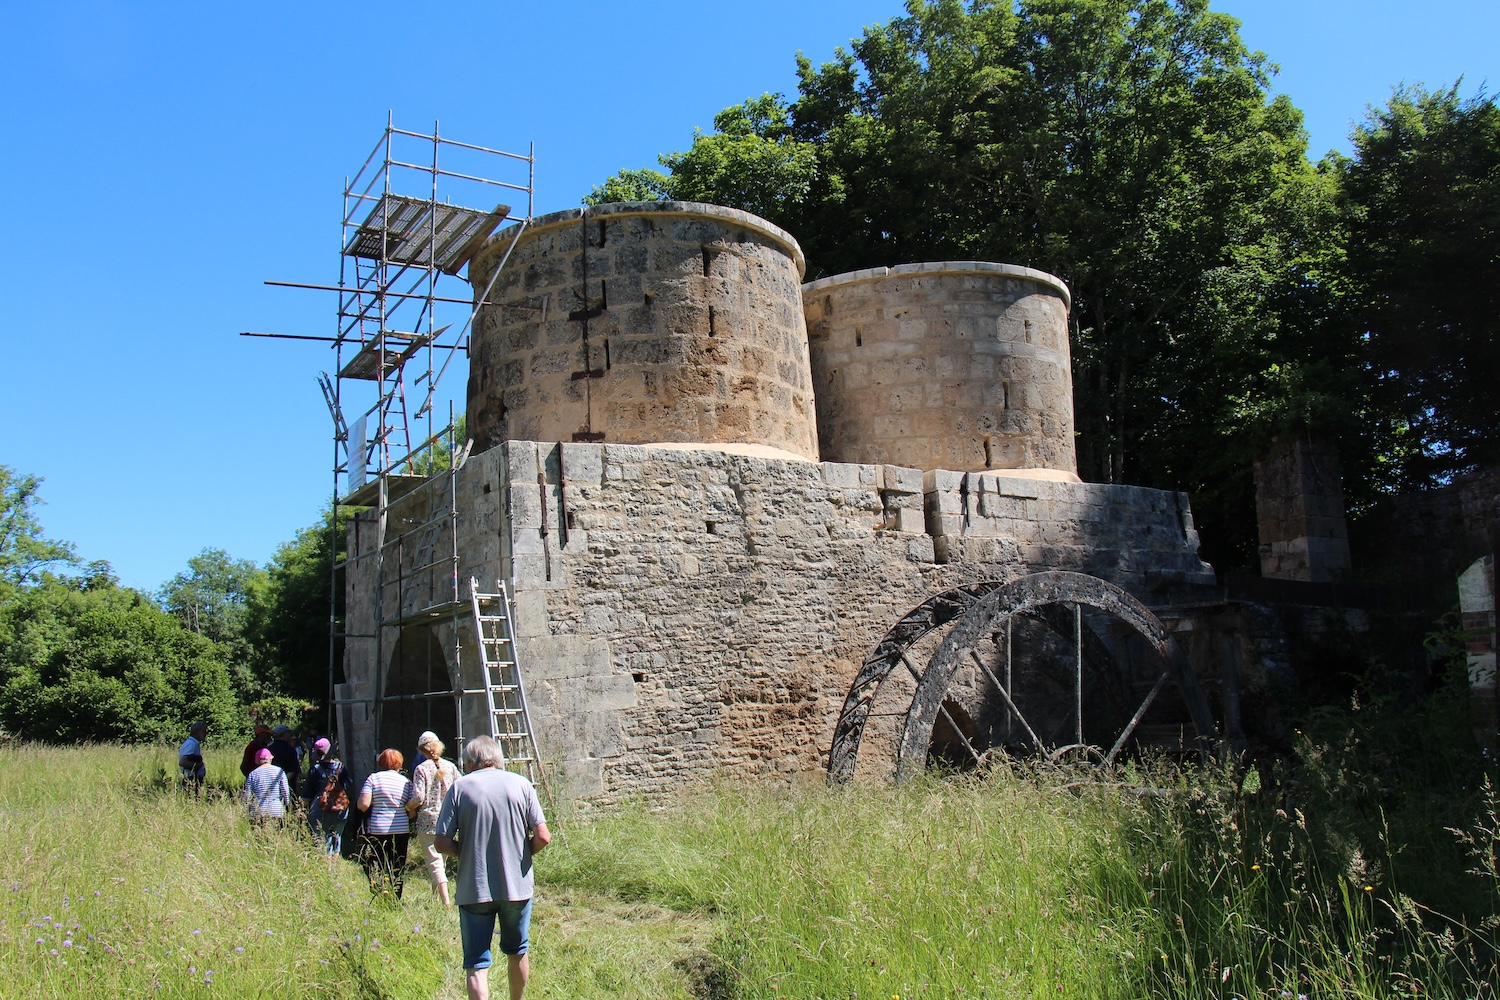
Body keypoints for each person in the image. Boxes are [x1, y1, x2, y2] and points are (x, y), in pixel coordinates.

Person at [435, 735, 550, 1000]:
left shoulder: (460, 788)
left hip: (474, 887)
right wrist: (522, 855)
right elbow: (543, 836)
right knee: (517, 951)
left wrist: (465, 854)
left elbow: (441, 842)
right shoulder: (521, 784)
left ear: (470, 762)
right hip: (516, 887)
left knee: (476, 962)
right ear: (498, 759)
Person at [407, 730, 461, 906]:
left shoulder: (421, 769)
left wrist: (408, 807)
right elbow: (460, 789)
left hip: (428, 820)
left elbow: (418, 797)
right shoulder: (450, 767)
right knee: (441, 862)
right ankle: (435, 898)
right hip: (448, 820)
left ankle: (446, 902)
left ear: (421, 750)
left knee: (434, 862)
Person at [357, 748, 416, 898]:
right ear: (399, 764)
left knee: (377, 863)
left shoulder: (373, 779)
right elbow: (412, 812)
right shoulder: (407, 782)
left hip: (378, 828)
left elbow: (363, 805)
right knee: (397, 865)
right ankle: (395, 898)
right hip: (401, 828)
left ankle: (378, 894)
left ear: (381, 762)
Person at [302, 738, 352, 856]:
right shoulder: (341, 767)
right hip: (340, 806)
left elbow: (307, 794)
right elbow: (348, 785)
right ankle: (335, 859)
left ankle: (325, 860)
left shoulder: (315, 770)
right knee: (337, 835)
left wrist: (304, 809)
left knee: (321, 837)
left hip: (320, 807)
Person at [242, 747, 290, 829]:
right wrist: (287, 804)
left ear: (257, 761)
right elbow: (285, 791)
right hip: (276, 810)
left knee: (260, 834)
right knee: (277, 834)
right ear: (270, 759)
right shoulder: (279, 771)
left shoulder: (252, 774)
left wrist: (247, 810)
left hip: (258, 811)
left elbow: (247, 795)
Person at [177, 721, 207, 796]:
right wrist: (198, 765)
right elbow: (183, 762)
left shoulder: (193, 743)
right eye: (203, 731)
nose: (205, 734)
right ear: (198, 732)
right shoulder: (191, 744)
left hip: (193, 779)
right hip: (191, 779)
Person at [269, 724, 302, 792]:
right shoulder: (290, 750)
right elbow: (292, 771)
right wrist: (282, 784)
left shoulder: (269, 749)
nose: (291, 734)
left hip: (270, 786)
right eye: (288, 732)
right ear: (283, 734)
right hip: (287, 787)